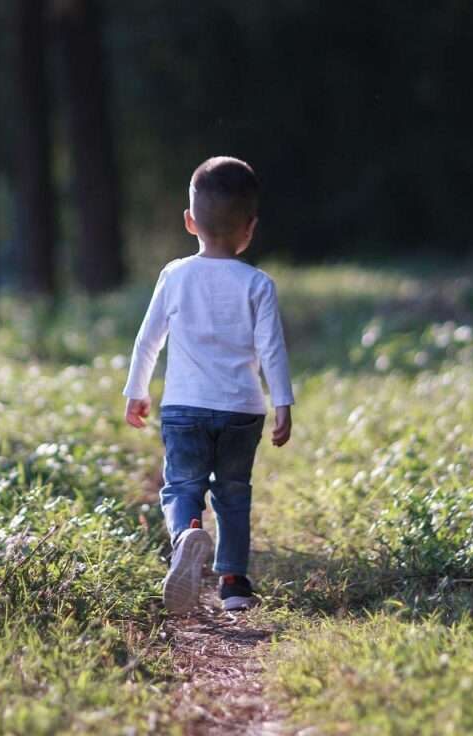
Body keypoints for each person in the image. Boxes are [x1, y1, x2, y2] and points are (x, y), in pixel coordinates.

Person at [122, 156, 295, 614]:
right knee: (234, 492)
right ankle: (234, 584)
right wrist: (283, 403)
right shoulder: (258, 283)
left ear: (189, 221)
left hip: (184, 407)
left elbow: (148, 339)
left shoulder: (175, 275)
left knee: (182, 487)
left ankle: (186, 534)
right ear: (250, 228)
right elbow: (272, 348)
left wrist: (136, 390)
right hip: (242, 408)